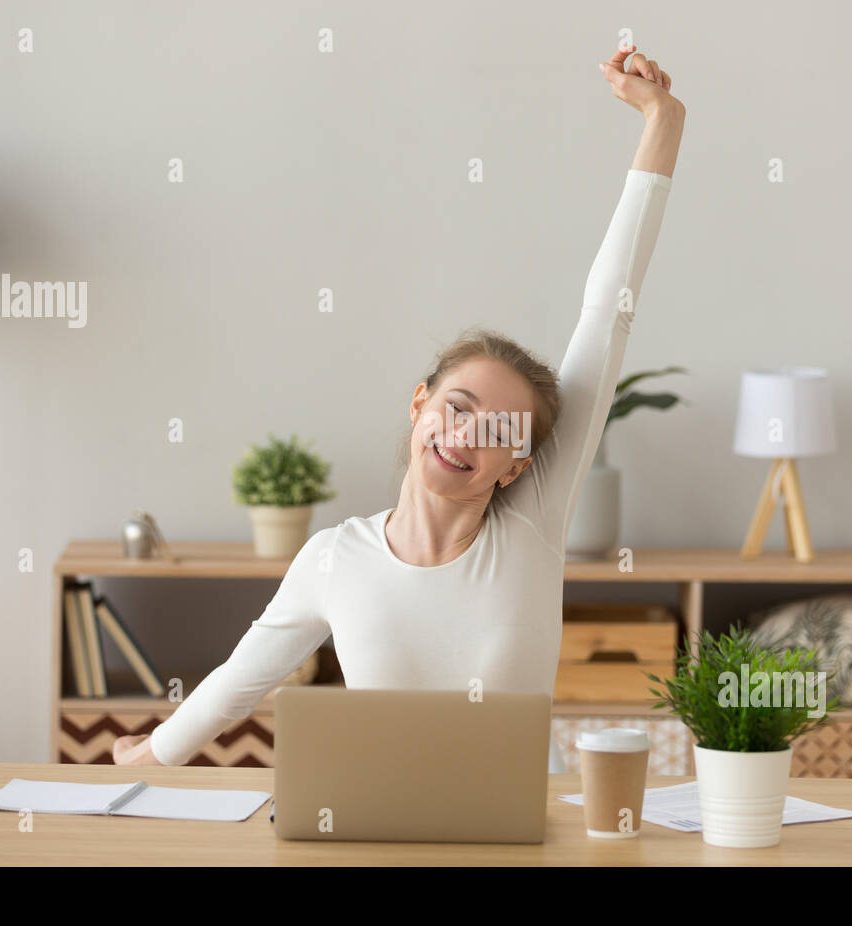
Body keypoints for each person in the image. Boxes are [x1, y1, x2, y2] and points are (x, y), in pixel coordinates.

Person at [113, 44, 685, 769]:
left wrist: (661, 120)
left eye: (495, 428)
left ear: (514, 468)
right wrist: (151, 756)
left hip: (522, 837)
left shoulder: (534, 524)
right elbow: (237, 683)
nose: (463, 434)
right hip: (385, 831)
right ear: (420, 406)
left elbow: (608, 313)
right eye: (456, 405)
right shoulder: (333, 560)